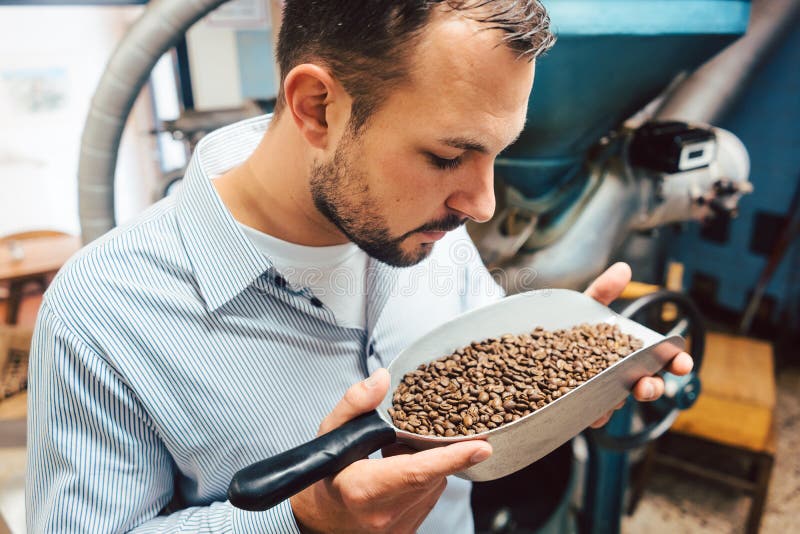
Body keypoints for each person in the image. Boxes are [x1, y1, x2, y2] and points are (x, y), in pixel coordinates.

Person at [27, 1, 693, 532]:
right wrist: (303, 523)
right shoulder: (99, 314)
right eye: (445, 156)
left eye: (496, 153)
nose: (482, 205)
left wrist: (566, 376)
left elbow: (483, 388)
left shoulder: (430, 228)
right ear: (318, 108)